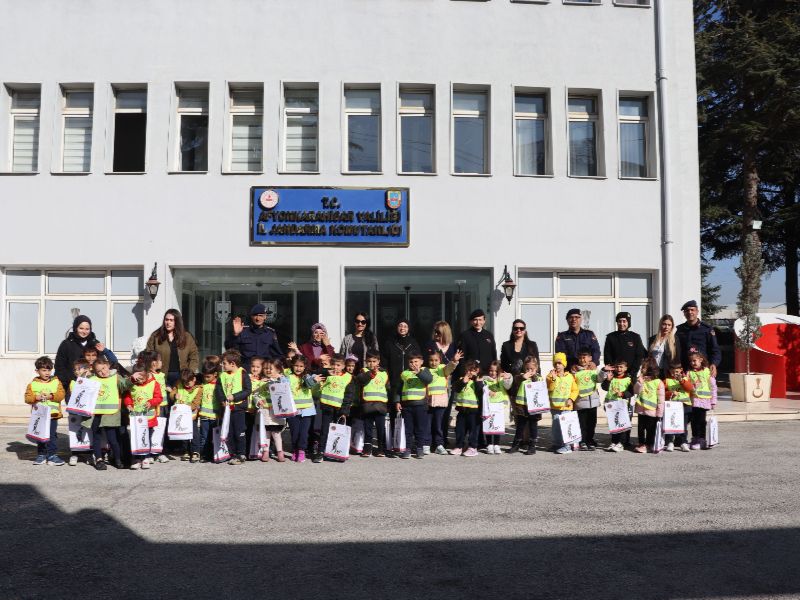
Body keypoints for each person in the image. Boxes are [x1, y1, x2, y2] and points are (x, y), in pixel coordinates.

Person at [90, 354, 136, 470]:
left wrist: (132, 379)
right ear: (95, 371)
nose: (102, 372)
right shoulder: (92, 379)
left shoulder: (116, 377)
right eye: (99, 371)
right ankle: (99, 460)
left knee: (113, 440)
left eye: (104, 368)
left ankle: (118, 459)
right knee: (96, 438)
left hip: (111, 414)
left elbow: (125, 385)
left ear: (108, 366)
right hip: (96, 415)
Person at [55, 315, 117, 397]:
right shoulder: (66, 344)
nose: (84, 331)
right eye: (81, 328)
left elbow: (106, 363)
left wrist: (104, 350)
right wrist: (67, 383)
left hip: (93, 386)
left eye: (87, 329)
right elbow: (60, 366)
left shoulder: (95, 343)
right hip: (73, 386)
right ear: (75, 328)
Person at [25, 356, 66, 466]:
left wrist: (51, 396)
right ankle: (41, 455)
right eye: (44, 370)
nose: (47, 373)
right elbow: (27, 398)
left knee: (51, 435)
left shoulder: (56, 382)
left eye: (49, 370)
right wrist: (36, 398)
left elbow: (61, 395)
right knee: (40, 435)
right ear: (37, 371)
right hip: (40, 415)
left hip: (53, 415)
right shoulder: (32, 384)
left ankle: (52, 455)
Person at [313, 354, 354, 463]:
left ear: (343, 366)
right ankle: (321, 452)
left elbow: (349, 396)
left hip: (340, 410)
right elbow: (315, 372)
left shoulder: (348, 377)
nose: (335, 367)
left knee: (338, 432)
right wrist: (327, 372)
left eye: (338, 365)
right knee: (325, 430)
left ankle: (337, 452)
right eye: (333, 365)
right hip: (327, 407)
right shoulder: (327, 374)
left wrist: (345, 411)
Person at [145, 309, 200, 390]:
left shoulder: (187, 337)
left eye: (171, 320)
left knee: (178, 400)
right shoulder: (156, 336)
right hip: (161, 375)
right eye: (166, 320)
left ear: (177, 322)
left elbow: (194, 356)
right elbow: (148, 355)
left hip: (181, 376)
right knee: (163, 401)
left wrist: (189, 373)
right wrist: (153, 372)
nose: (168, 322)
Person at [214, 349, 252, 465]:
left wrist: (234, 397)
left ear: (232, 364)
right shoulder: (222, 375)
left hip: (239, 409)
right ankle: (232, 453)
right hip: (226, 410)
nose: (222, 365)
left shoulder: (243, 374)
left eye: (224, 363)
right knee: (229, 432)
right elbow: (218, 390)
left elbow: (247, 390)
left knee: (239, 431)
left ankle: (241, 454)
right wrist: (222, 400)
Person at [124, 363, 163, 470]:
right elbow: (128, 396)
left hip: (149, 419)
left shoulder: (154, 383)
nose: (140, 381)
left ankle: (145, 458)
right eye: (137, 379)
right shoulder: (132, 385)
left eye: (142, 378)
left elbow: (159, 397)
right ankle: (136, 459)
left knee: (146, 438)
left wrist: (151, 402)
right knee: (136, 438)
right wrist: (128, 404)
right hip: (136, 419)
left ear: (147, 374)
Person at [225, 303, 283, 371]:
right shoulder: (242, 331)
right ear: (251, 316)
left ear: (265, 317)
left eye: (260, 316)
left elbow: (278, 355)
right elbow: (229, 348)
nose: (258, 318)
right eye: (255, 315)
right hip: (246, 370)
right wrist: (235, 334)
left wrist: (272, 368)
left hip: (263, 371)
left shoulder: (270, 333)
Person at [397, 353, 433, 459]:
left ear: (421, 362)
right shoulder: (404, 373)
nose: (414, 364)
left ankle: (419, 448)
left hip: (420, 405)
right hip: (407, 405)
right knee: (408, 428)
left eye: (416, 361)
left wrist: (418, 372)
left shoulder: (425, 371)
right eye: (411, 362)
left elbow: (428, 380)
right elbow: (398, 388)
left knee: (420, 428)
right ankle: (407, 449)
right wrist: (397, 401)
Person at [354, 351, 390, 457]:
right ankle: (367, 448)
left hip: (381, 405)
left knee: (380, 428)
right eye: (369, 361)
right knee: (368, 427)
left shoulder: (384, 373)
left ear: (378, 361)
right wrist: (372, 373)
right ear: (366, 362)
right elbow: (361, 380)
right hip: (367, 405)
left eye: (374, 361)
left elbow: (388, 387)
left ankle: (381, 448)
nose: (372, 363)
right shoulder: (364, 371)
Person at [425, 349, 461, 455]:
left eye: (436, 360)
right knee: (427, 425)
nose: (434, 362)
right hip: (428, 402)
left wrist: (454, 360)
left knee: (438, 425)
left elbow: (450, 367)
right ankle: (427, 444)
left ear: (440, 360)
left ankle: (439, 444)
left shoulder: (443, 369)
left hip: (440, 402)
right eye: (431, 360)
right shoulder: (425, 370)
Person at [676, 300, 721, 377]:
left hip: (703, 370)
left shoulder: (707, 329)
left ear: (697, 311)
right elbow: (677, 350)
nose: (690, 312)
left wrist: (714, 364)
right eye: (687, 310)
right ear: (684, 313)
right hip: (686, 370)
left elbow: (715, 349)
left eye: (692, 310)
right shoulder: (680, 330)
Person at [573, 348, 606, 451]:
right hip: (580, 402)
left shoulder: (593, 369)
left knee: (592, 423)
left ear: (590, 358)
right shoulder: (575, 370)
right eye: (580, 357)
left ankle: (590, 440)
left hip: (593, 401)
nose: (582, 360)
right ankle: (582, 441)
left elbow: (600, 379)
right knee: (581, 423)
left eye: (585, 357)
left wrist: (602, 370)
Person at [256, 358, 289, 463]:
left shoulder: (282, 379)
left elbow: (287, 386)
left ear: (278, 369)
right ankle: (266, 451)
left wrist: (280, 378)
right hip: (265, 410)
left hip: (276, 410)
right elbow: (256, 394)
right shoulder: (261, 381)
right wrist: (258, 400)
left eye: (271, 368)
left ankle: (280, 451)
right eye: (265, 368)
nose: (268, 370)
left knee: (276, 432)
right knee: (266, 432)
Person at [509, 355, 543, 455]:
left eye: (532, 369)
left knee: (533, 426)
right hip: (522, 406)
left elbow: (541, 387)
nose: (529, 371)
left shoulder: (539, 377)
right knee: (520, 425)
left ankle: (532, 446)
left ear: (536, 368)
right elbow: (515, 381)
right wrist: (522, 377)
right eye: (527, 368)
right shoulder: (521, 376)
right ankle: (516, 444)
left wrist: (534, 377)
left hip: (534, 406)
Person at [286, 355, 318, 463]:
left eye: (301, 366)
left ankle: (301, 450)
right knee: (295, 432)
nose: (298, 368)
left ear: (305, 367)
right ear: (292, 365)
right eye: (296, 365)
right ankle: (295, 449)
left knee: (304, 433)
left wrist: (314, 379)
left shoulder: (307, 376)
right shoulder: (288, 377)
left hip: (307, 410)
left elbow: (309, 384)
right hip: (293, 411)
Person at [546, 352, 578, 454]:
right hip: (555, 407)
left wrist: (571, 399)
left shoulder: (570, 377)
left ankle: (567, 446)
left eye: (559, 363)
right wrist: (553, 379)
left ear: (564, 364)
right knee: (556, 428)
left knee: (565, 426)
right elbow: (549, 388)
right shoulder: (550, 376)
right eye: (555, 363)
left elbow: (575, 390)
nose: (557, 365)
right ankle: (557, 444)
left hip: (566, 407)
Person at [451, 359, 484, 457]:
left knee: (473, 430)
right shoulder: (462, 379)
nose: (469, 373)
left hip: (474, 411)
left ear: (477, 370)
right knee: (460, 429)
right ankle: (459, 446)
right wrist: (463, 381)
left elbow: (481, 392)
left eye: (472, 370)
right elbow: (455, 388)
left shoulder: (480, 380)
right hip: (462, 410)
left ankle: (472, 447)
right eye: (467, 370)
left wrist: (477, 382)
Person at [602, 360, 635, 453]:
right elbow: (604, 387)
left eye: (621, 367)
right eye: (617, 367)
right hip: (611, 404)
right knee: (613, 424)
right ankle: (614, 441)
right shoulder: (611, 377)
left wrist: (622, 394)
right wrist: (607, 380)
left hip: (622, 406)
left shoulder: (629, 379)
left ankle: (621, 443)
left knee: (622, 425)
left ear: (625, 368)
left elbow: (631, 392)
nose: (619, 369)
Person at [687, 351, 718, 449]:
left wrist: (713, 401)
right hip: (693, 402)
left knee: (701, 421)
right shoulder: (689, 373)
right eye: (691, 361)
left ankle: (702, 440)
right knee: (693, 421)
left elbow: (713, 387)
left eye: (695, 360)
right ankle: (695, 438)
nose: (693, 363)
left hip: (704, 402)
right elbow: (687, 386)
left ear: (701, 360)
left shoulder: (707, 372)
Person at [170, 368, 203, 461]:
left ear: (194, 379)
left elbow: (196, 403)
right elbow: (172, 394)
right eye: (184, 383)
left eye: (188, 383)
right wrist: (174, 395)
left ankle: (195, 451)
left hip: (191, 416)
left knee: (194, 434)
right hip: (180, 416)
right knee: (183, 434)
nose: (186, 385)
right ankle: (186, 451)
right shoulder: (178, 384)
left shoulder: (198, 389)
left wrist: (186, 407)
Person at [633, 358, 665, 453]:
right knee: (641, 428)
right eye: (642, 367)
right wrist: (639, 383)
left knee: (651, 429)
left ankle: (649, 444)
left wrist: (659, 413)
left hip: (652, 411)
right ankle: (641, 444)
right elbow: (635, 391)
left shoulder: (658, 382)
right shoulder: (641, 379)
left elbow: (661, 399)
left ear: (651, 368)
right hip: (641, 409)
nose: (642, 369)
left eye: (644, 367)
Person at [603, 311, 647, 379]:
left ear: (628, 323)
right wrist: (612, 371)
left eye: (624, 321)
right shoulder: (610, 337)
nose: (621, 324)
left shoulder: (635, 337)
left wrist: (633, 372)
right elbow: (607, 356)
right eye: (619, 321)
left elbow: (639, 356)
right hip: (615, 375)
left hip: (631, 375)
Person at [192, 357, 220, 463]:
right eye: (205, 376)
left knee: (213, 436)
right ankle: (204, 454)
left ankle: (214, 454)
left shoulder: (218, 385)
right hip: (203, 416)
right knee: (204, 436)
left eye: (208, 376)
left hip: (215, 416)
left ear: (215, 374)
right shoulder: (202, 386)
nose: (206, 378)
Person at [456, 309, 497, 375]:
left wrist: (495, 371)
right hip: (471, 373)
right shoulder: (465, 335)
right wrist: (463, 373)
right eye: (475, 320)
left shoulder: (489, 335)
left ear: (484, 321)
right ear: (471, 321)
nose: (478, 323)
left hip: (487, 373)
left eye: (480, 320)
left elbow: (493, 354)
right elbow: (462, 356)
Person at [484, 361, 512, 454]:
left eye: (496, 371)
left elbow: (508, 385)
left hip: (499, 406)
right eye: (491, 371)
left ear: (499, 371)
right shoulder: (486, 380)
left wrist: (508, 377)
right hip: (489, 406)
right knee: (489, 425)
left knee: (497, 425)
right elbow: (483, 388)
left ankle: (496, 444)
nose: (493, 373)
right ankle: (489, 444)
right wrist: (488, 392)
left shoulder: (501, 379)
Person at [663, 362, 692, 452]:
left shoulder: (685, 379)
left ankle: (683, 442)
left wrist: (681, 381)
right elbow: (662, 392)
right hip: (671, 406)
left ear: (681, 370)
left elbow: (690, 388)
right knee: (670, 424)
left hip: (684, 405)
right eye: (672, 371)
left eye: (676, 371)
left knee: (683, 425)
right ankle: (669, 442)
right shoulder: (667, 380)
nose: (674, 373)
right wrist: (670, 393)